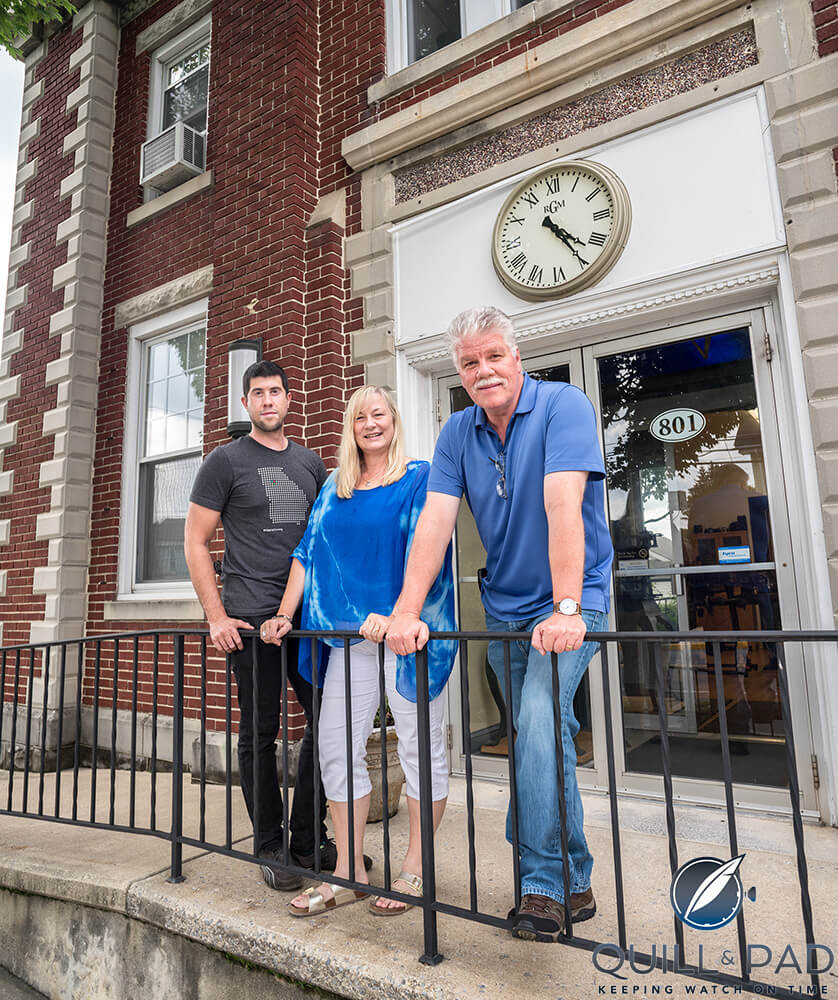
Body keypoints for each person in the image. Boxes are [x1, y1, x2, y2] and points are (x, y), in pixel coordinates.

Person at [386, 306, 613, 942]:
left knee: (539, 721)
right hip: (507, 609)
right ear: (459, 374)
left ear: (517, 358)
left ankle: (541, 884)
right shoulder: (458, 433)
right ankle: (577, 879)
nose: (482, 370)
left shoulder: (563, 405)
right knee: (544, 739)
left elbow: (562, 503)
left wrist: (567, 607)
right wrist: (406, 608)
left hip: (572, 601)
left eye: (493, 357)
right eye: (468, 363)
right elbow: (434, 523)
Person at [262, 385, 456, 917]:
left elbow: (428, 543)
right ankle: (349, 872)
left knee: (420, 750)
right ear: (350, 427)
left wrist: (398, 614)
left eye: (379, 414)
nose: (370, 423)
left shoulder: (419, 477)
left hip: (406, 633)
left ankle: (417, 869)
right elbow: (308, 551)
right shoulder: (335, 485)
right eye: (360, 416)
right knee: (334, 748)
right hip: (349, 637)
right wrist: (284, 612)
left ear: (394, 419)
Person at [185, 359, 364, 892]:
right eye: (257, 393)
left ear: (290, 400)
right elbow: (195, 541)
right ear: (246, 404)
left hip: (306, 620)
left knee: (328, 727)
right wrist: (216, 616)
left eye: (276, 392)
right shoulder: (224, 461)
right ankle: (270, 843)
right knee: (261, 733)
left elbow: (327, 540)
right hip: (248, 619)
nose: (267, 401)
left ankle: (309, 837)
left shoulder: (311, 465)